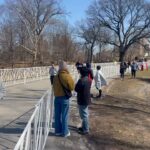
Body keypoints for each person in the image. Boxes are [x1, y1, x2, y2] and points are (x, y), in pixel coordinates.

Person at [53, 61, 74, 137]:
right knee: (64, 115)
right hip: (64, 98)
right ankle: (65, 132)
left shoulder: (56, 77)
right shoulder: (67, 76)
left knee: (57, 115)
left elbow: (54, 87)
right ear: (66, 67)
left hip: (57, 98)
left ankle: (57, 131)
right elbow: (72, 87)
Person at [75, 67, 91, 135]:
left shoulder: (81, 80)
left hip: (82, 99)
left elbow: (76, 89)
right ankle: (84, 127)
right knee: (84, 114)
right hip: (86, 99)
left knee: (84, 115)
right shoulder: (89, 80)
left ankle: (86, 129)